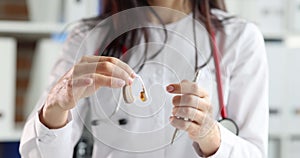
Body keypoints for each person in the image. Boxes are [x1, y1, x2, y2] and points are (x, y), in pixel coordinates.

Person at [20, 0, 269, 157]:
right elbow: (38, 153)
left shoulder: (238, 38)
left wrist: (211, 136)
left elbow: (254, 153)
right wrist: (56, 106)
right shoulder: (90, 37)